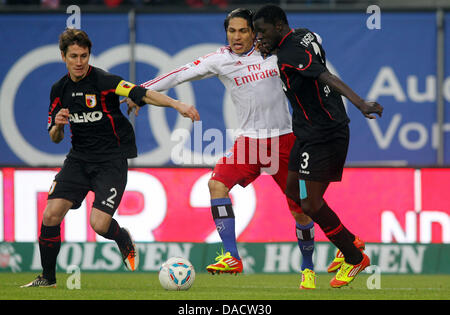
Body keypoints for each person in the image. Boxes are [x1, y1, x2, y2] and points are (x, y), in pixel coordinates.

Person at [126, 8, 317, 289]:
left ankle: (308, 268)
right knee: (216, 184)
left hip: (284, 141)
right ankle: (231, 255)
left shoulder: (274, 54)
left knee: (301, 211)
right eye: (232, 31)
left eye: (243, 31)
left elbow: (311, 69)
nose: (237, 37)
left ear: (254, 33)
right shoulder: (220, 59)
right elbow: (179, 75)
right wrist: (139, 92)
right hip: (249, 142)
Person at [21, 28, 199, 288]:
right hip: (78, 160)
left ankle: (121, 238)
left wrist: (177, 105)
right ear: (63, 57)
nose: (79, 62)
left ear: (89, 55)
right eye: (73, 56)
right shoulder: (58, 90)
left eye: (84, 56)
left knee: (99, 224)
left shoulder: (104, 81)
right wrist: (58, 125)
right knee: (50, 215)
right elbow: (54, 137)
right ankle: (47, 278)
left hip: (111, 161)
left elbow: (141, 93)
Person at [253, 5, 383, 288]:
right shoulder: (303, 36)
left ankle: (353, 257)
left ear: (278, 26)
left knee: (310, 203)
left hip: (325, 134)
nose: (258, 38)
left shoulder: (290, 53)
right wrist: (272, 51)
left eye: (262, 32)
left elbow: (326, 76)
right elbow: (310, 58)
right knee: (293, 191)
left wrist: (360, 103)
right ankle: (348, 240)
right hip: (307, 134)